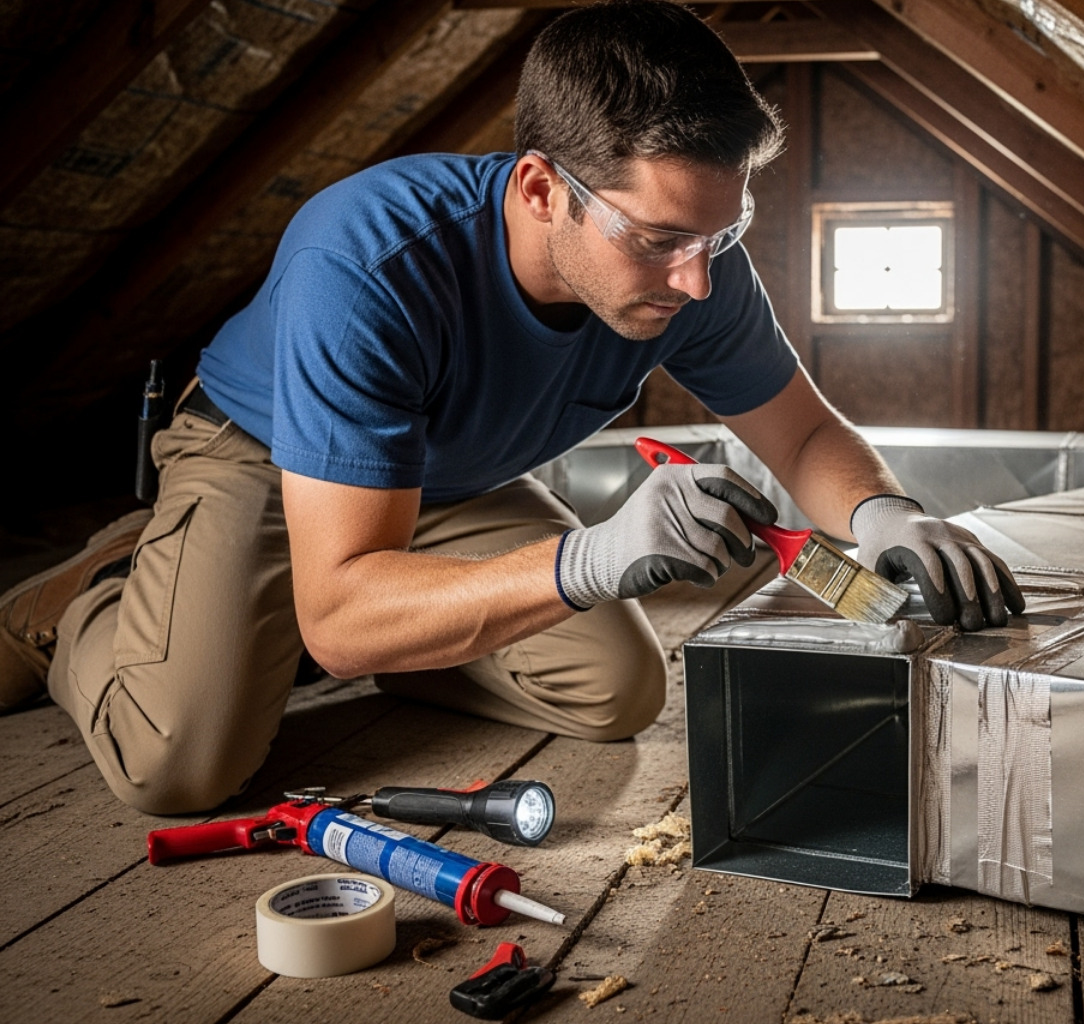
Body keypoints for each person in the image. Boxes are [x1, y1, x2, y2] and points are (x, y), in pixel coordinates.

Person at [0, 0, 1024, 814]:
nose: (698, 281)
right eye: (661, 238)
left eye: (723, 231)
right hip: (265, 461)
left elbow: (800, 431)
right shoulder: (365, 263)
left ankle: (261, 632)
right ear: (541, 189)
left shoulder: (695, 263)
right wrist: (584, 559)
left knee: (615, 689)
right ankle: (84, 601)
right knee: (180, 763)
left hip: (447, 480)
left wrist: (887, 512)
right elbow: (348, 618)